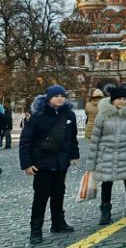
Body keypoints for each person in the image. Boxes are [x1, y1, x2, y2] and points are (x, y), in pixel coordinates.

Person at [20, 85, 79, 244]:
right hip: (42, 163)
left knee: (59, 193)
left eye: (62, 95)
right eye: (56, 95)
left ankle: (58, 223)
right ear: (48, 98)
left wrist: (74, 155)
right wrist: (27, 164)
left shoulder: (70, 115)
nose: (60, 98)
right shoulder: (38, 116)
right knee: (41, 196)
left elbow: (72, 138)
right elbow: (25, 141)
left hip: (61, 162)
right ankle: (36, 230)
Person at [87, 86, 126, 225]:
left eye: (124, 99)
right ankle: (105, 210)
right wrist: (91, 164)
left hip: (125, 152)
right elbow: (95, 138)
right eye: (119, 99)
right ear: (112, 100)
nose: (122, 101)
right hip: (106, 154)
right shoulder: (102, 115)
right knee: (107, 183)